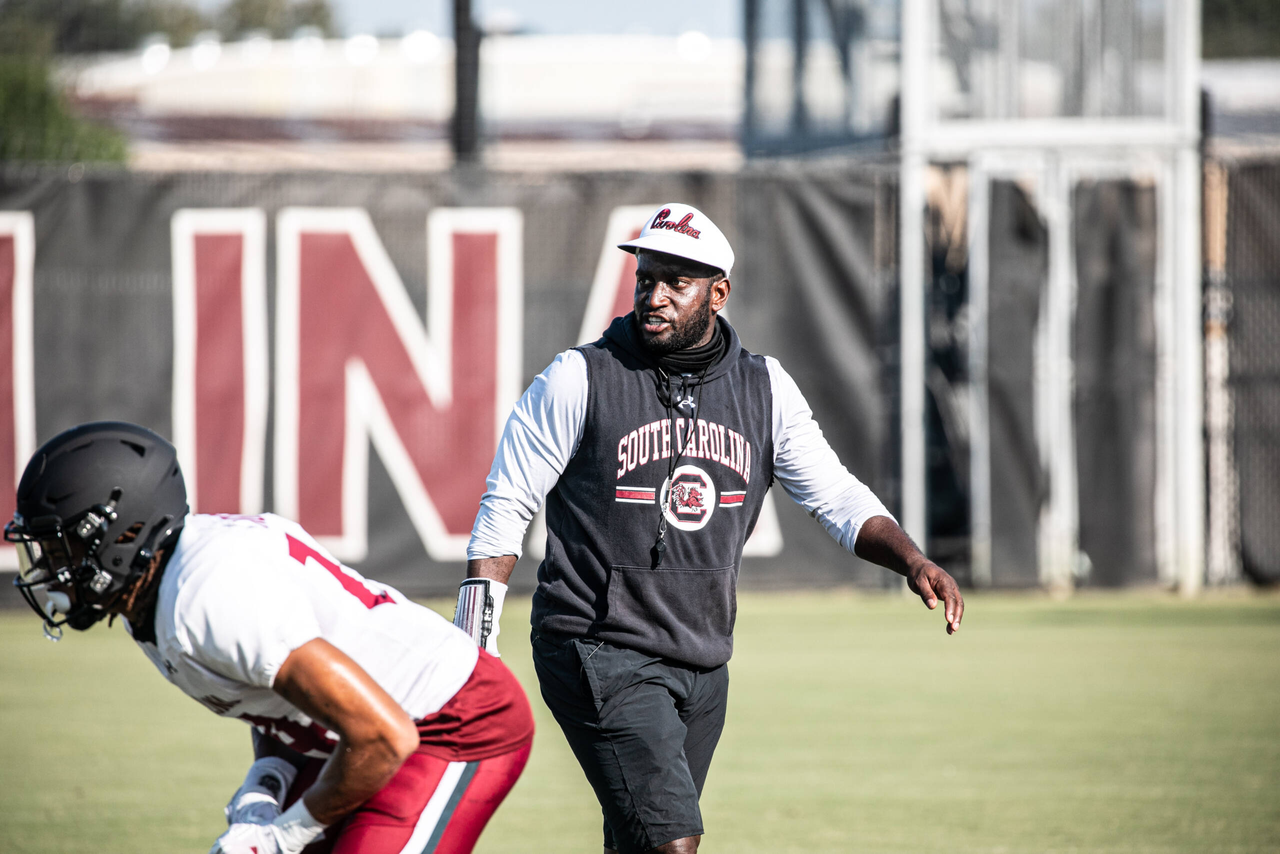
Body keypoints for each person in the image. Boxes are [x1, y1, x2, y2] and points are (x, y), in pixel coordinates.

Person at [453, 202, 964, 854]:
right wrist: (474, 644)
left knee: (639, 842)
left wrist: (913, 561)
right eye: (646, 278)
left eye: (677, 281)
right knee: (675, 842)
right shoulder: (578, 378)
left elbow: (836, 497)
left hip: (702, 658)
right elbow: (505, 505)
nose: (654, 295)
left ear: (718, 293)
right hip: (594, 645)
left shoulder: (764, 388)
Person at [9, 421, 534, 854]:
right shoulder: (151, 597)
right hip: (360, 733)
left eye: (63, 550)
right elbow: (275, 699)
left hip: (452, 724)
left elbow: (385, 736)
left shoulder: (205, 595)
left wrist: (281, 836)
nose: (52, 570)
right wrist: (264, 785)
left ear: (123, 534)